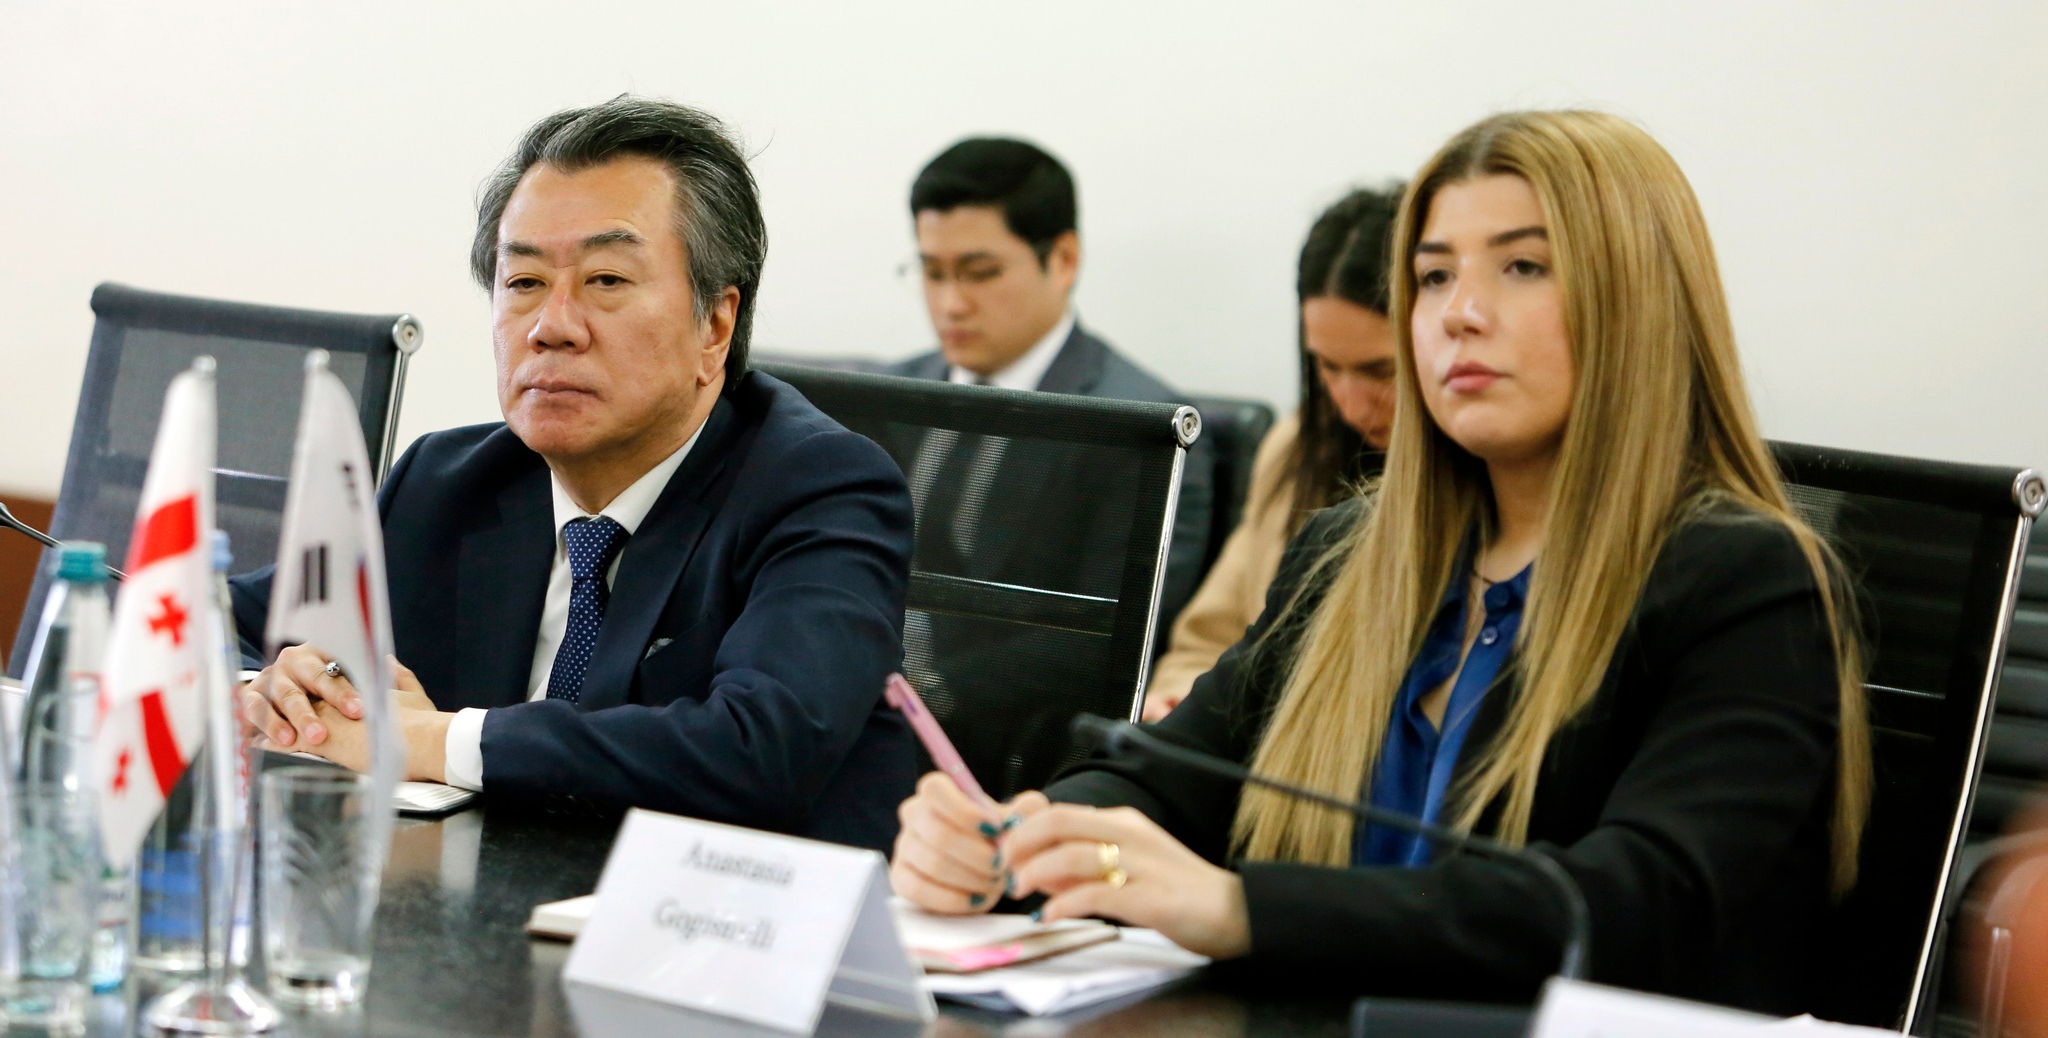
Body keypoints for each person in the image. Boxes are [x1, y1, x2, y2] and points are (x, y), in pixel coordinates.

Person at [889, 110, 1873, 1011]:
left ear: (1637, 300)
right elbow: (1167, 774)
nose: (1459, 312)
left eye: (1522, 266)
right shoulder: (1347, 554)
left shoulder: (1744, 580)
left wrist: (1237, 907)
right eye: (1434, 275)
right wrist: (1023, 839)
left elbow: (1633, 905)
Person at [233, 96, 917, 853]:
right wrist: (270, 689)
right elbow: (215, 616)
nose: (550, 326)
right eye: (523, 282)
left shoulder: (821, 488)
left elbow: (757, 749)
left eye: (606, 280)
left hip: (721, 913)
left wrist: (430, 739)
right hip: (477, 898)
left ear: (715, 326)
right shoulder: (447, 481)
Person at [883, 137, 1215, 637]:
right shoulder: (891, 396)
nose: (951, 304)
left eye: (980, 273)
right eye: (932, 273)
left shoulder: (1141, 431)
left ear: (1063, 260)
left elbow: (1103, 644)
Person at [1143, 185, 1403, 721]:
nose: (1350, 402)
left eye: (1380, 371)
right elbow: (1207, 639)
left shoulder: (1487, 471)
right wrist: (1177, 699)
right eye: (1327, 366)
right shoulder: (1295, 447)